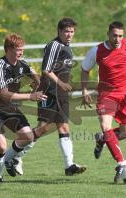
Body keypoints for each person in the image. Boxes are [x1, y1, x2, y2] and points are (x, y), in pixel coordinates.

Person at [81, 21, 126, 183]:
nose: (117, 39)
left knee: (125, 133)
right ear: (108, 34)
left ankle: (101, 139)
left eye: (120, 36)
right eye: (114, 35)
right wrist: (85, 90)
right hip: (107, 95)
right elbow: (85, 69)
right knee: (106, 126)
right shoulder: (97, 50)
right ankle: (122, 164)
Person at [14, 17, 86, 176]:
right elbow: (46, 70)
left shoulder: (67, 47)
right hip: (48, 92)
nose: (69, 34)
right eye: (66, 31)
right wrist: (60, 83)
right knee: (42, 129)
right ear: (59, 31)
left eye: (72, 31)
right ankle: (16, 156)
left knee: (64, 126)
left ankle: (69, 165)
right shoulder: (54, 45)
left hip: (61, 94)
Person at [0, 33, 47, 183]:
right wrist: (30, 96)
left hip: (9, 106)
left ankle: (10, 160)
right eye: (18, 49)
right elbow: (3, 94)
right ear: (9, 49)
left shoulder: (22, 64)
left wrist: (37, 83)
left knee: (28, 136)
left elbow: (35, 75)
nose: (21, 52)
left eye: (22, 49)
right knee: (2, 147)